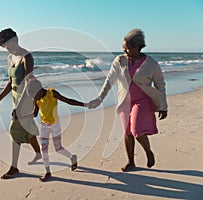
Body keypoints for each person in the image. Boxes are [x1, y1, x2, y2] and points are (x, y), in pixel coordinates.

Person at [88, 28, 168, 172]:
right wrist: (100, 98)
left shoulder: (151, 64)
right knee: (127, 132)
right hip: (124, 101)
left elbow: (160, 85)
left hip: (143, 101)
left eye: (128, 49)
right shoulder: (119, 61)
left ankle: (148, 152)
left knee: (136, 129)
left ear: (137, 48)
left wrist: (163, 106)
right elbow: (109, 80)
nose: (125, 52)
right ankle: (131, 162)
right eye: (123, 48)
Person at [0, 28, 41, 179]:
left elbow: (28, 83)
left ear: (16, 39)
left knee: (14, 130)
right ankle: (39, 153)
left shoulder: (27, 57)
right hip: (15, 98)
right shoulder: (10, 58)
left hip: (26, 98)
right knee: (27, 128)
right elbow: (10, 82)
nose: (9, 48)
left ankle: (14, 167)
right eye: (5, 46)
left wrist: (19, 107)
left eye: (10, 44)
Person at [13, 79, 88, 182]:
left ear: (39, 90)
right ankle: (48, 172)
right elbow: (34, 114)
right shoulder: (37, 99)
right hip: (44, 125)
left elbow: (68, 101)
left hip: (55, 125)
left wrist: (85, 104)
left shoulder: (52, 93)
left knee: (58, 148)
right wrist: (21, 117)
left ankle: (72, 157)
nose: (34, 98)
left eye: (34, 96)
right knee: (43, 149)